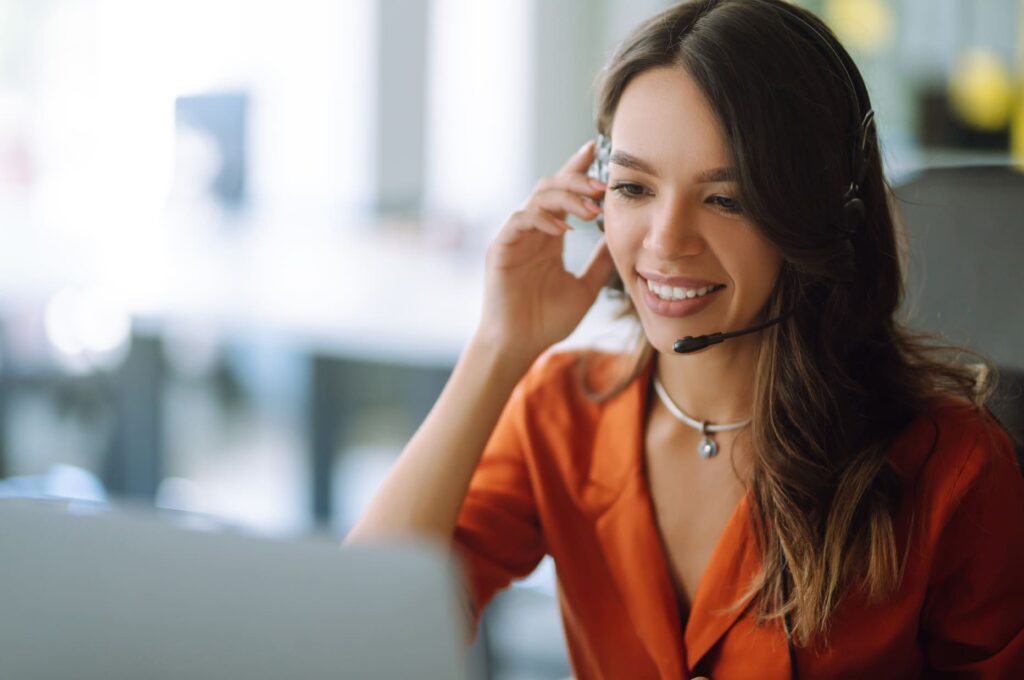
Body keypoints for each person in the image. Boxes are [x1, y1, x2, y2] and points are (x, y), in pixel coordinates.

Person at [345, 1, 1024, 677]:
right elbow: (359, 634)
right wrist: (498, 346)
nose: (666, 242)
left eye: (726, 199)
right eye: (634, 188)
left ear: (828, 217)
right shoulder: (562, 416)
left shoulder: (951, 466)